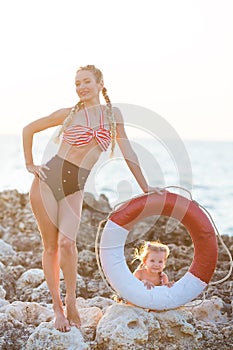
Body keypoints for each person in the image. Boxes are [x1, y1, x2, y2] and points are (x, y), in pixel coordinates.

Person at [22, 64, 162, 332]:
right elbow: (28, 129)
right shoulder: (67, 114)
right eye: (77, 83)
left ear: (100, 84)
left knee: (68, 243)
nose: (81, 87)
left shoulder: (112, 116)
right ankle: (57, 309)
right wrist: (30, 165)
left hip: (76, 185)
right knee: (51, 247)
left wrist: (145, 187)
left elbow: (128, 151)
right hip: (47, 181)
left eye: (86, 81)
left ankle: (71, 301)